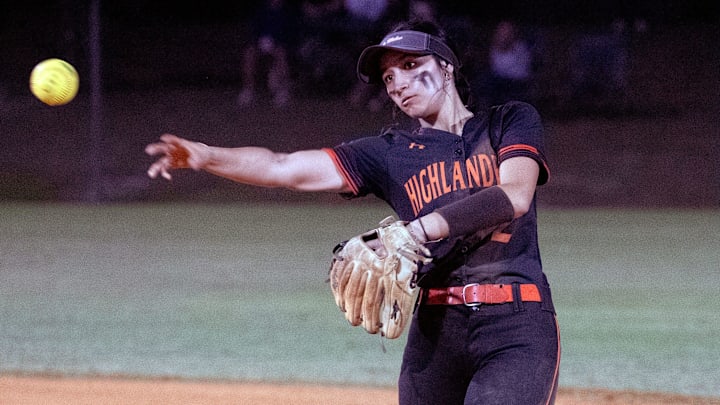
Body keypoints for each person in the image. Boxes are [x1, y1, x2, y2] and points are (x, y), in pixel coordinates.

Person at [146, 19, 560, 405]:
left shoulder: (508, 122)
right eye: (388, 77)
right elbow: (282, 166)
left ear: (446, 66)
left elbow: (514, 195)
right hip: (435, 332)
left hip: (516, 324)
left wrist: (414, 232)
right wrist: (206, 155)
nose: (397, 84)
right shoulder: (389, 153)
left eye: (411, 65)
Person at [237, 0, 296, 109]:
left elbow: (292, 34)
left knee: (281, 53)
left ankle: (283, 91)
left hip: (280, 45)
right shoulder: (261, 10)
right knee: (249, 53)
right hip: (262, 43)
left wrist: (277, 43)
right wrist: (259, 41)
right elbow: (254, 30)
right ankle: (248, 90)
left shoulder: (289, 12)